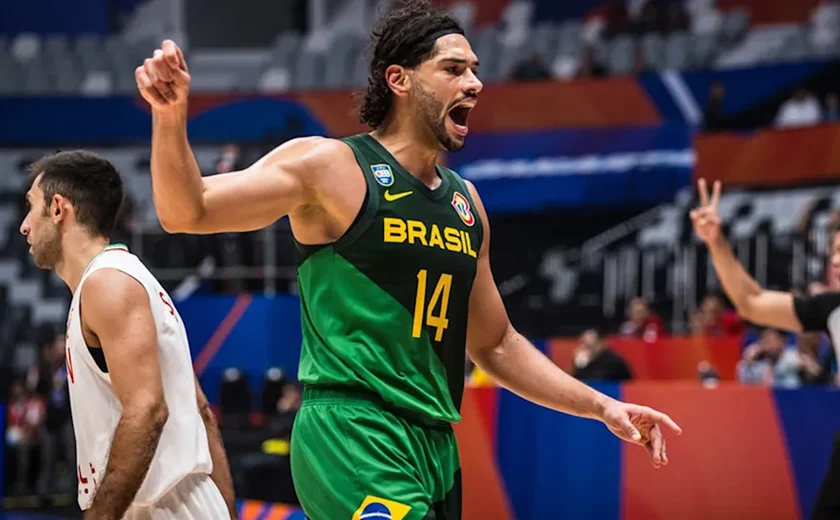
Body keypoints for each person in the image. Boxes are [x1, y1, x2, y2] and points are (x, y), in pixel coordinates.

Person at [136, 1, 682, 518]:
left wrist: (600, 407)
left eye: (474, 69)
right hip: (353, 429)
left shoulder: (467, 206)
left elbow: (495, 344)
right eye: (454, 69)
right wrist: (169, 118)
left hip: (435, 444)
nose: (475, 83)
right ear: (400, 80)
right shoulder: (331, 167)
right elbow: (189, 210)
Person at [18, 151, 236, 519]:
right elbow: (201, 411)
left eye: (31, 207)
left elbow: (148, 410)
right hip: (181, 503)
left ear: (58, 209)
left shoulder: (108, 282)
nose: (24, 225)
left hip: (160, 505)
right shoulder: (118, 277)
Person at [691, 177, 840, 520]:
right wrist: (716, 243)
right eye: (832, 252)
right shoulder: (832, 307)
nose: (833, 261)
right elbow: (751, 301)